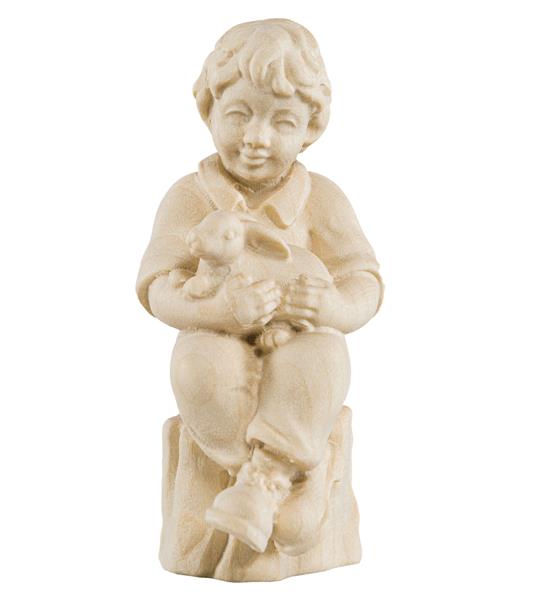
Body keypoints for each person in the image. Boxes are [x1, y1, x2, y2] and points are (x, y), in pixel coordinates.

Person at [136, 18, 383, 555]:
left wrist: (334, 305)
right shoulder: (189, 197)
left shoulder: (322, 198)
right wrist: (219, 312)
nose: (256, 138)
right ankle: (273, 481)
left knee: (322, 358)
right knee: (198, 365)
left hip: (299, 341)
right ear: (209, 110)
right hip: (216, 343)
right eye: (239, 115)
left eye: (282, 121)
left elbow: (364, 279)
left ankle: (271, 483)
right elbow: (158, 287)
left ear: (311, 128)